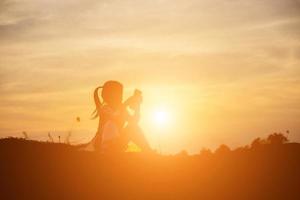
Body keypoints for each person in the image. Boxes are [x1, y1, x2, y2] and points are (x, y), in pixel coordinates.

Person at [89, 80, 151, 153]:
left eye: (121, 94)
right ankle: (149, 152)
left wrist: (137, 107)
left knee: (133, 127)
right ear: (109, 95)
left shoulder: (121, 109)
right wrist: (126, 103)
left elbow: (134, 122)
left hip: (116, 144)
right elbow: (115, 117)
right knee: (132, 128)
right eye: (118, 94)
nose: (120, 97)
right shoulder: (105, 109)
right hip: (105, 147)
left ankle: (148, 151)